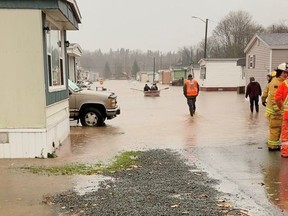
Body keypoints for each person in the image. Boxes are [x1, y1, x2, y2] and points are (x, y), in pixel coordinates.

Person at [261, 69, 287, 150]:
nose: (285, 75)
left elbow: (265, 92)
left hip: (274, 111)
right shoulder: (276, 83)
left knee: (276, 129)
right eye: (284, 73)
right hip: (275, 112)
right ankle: (272, 146)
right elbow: (274, 98)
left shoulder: (276, 81)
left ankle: (274, 144)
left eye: (287, 73)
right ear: (279, 73)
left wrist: (263, 100)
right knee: (275, 129)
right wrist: (278, 110)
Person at [274, 63, 288, 157]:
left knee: (286, 134)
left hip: (287, 114)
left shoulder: (283, 84)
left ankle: (285, 153)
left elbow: (277, 98)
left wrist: (281, 107)